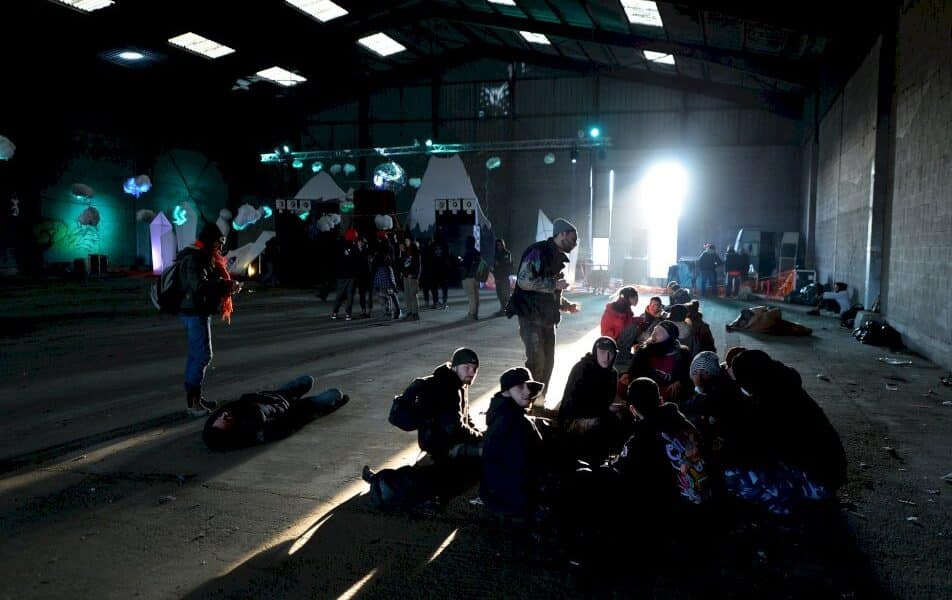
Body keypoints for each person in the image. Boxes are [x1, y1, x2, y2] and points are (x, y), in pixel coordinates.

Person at [724, 350, 847, 515]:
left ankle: (786, 510)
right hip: (831, 474)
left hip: (818, 482)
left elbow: (755, 449)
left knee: (735, 475)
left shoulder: (771, 404)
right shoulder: (784, 384)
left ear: (749, 380)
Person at [507, 217, 581, 392]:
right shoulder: (537, 251)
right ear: (562, 234)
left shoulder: (558, 257)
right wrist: (554, 284)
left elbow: (551, 294)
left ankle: (540, 399)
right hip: (530, 316)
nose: (575, 243)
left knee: (548, 363)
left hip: (548, 319)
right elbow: (524, 281)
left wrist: (565, 305)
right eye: (572, 239)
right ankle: (528, 399)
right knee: (537, 362)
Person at [177, 221, 241, 416]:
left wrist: (228, 286)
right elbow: (199, 285)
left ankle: (195, 397)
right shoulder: (195, 257)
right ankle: (193, 403)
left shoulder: (204, 256)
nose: (221, 245)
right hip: (194, 311)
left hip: (197, 310)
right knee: (203, 355)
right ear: (210, 240)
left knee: (196, 355)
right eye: (219, 241)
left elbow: (208, 283)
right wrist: (225, 285)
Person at [202, 375, 348, 451]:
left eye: (221, 417)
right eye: (226, 420)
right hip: (289, 408)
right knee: (335, 394)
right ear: (232, 428)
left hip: (276, 395)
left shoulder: (224, 414)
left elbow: (242, 400)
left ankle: (297, 395)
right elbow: (287, 426)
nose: (224, 415)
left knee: (307, 380)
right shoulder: (252, 430)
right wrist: (320, 411)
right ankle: (318, 400)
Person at [480, 367, 548, 520]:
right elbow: (532, 464)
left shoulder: (497, 411)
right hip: (512, 502)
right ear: (506, 391)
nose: (527, 392)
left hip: (493, 495)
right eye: (519, 387)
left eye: (528, 386)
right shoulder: (516, 422)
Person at [558, 337, 625, 464]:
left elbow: (607, 400)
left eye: (610, 353)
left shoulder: (612, 373)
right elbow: (571, 403)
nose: (606, 357)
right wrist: (604, 409)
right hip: (573, 417)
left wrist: (608, 408)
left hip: (598, 413)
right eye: (602, 352)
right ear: (595, 351)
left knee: (622, 421)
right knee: (601, 427)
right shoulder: (582, 368)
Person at [626, 320, 692, 404]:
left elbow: (689, 374)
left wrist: (680, 381)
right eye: (655, 329)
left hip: (669, 392)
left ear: (669, 337)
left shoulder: (682, 353)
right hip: (647, 389)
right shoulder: (644, 350)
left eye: (660, 331)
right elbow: (633, 372)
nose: (654, 333)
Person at [600, 286, 641, 367]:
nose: (637, 300)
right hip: (612, 340)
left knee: (636, 326)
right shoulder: (620, 307)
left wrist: (640, 319)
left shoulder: (623, 305)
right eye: (636, 298)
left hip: (613, 337)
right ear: (630, 298)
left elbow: (627, 321)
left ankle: (625, 353)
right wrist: (639, 321)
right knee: (633, 329)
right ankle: (621, 357)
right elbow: (622, 326)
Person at [331, 228, 362, 321]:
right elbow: (358, 260)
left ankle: (334, 313)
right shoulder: (354, 247)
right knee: (349, 296)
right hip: (351, 275)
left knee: (339, 295)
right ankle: (348, 315)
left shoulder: (339, 245)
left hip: (340, 274)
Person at [400, 237, 421, 321]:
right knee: (407, 296)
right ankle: (409, 313)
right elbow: (403, 263)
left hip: (412, 277)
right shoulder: (405, 251)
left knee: (413, 295)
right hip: (406, 276)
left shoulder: (416, 251)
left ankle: (415, 314)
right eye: (405, 241)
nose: (406, 242)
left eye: (407, 240)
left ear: (411, 241)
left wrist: (414, 275)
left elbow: (418, 265)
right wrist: (403, 273)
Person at [461, 235, 481, 320]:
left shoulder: (468, 252)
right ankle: (475, 313)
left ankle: (472, 314)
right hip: (476, 277)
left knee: (471, 297)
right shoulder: (477, 252)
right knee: (476, 296)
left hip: (468, 277)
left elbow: (465, 265)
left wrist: (461, 262)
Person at [492, 238, 513, 317]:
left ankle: (505, 309)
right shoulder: (496, 254)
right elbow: (495, 266)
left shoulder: (507, 253)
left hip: (504, 276)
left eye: (500, 245)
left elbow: (507, 264)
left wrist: (499, 263)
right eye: (497, 245)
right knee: (499, 293)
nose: (498, 246)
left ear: (503, 245)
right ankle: (503, 308)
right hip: (497, 277)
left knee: (505, 294)